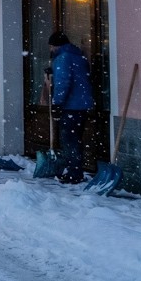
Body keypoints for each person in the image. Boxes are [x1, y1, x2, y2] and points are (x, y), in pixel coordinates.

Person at [49, 31, 93, 184]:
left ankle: (74, 172)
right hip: (82, 104)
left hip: (71, 105)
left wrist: (57, 103)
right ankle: (75, 169)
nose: (51, 49)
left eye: (52, 46)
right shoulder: (78, 56)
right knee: (76, 138)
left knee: (69, 140)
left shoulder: (63, 58)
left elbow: (63, 82)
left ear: (56, 45)